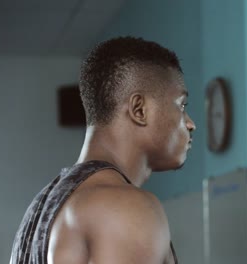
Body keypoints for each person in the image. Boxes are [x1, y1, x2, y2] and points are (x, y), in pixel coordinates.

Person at [10, 36, 196, 264]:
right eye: (181, 105)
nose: (190, 123)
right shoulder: (125, 207)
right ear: (139, 110)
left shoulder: (40, 210)